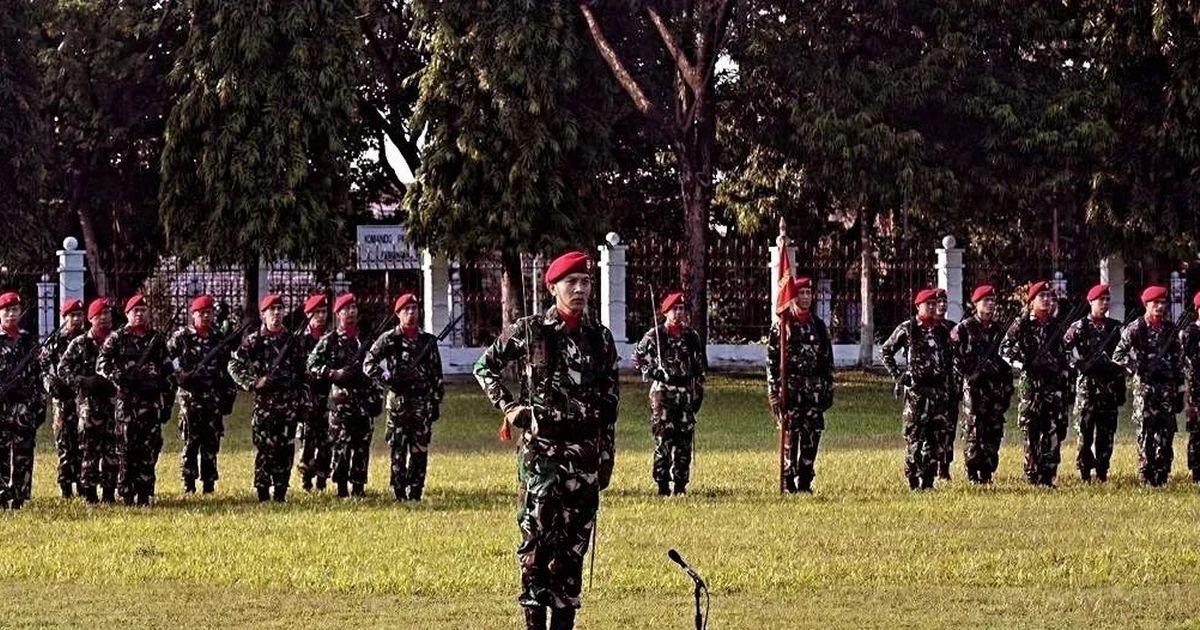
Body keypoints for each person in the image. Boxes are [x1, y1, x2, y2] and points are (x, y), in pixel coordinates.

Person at [474, 251, 619, 630]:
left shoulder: (600, 338)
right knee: (535, 548)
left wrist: (606, 457)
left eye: (585, 282)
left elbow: (609, 403)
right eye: (571, 282)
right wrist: (509, 406)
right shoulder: (531, 330)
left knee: (573, 551)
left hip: (584, 459)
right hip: (541, 458)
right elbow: (483, 366)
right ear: (552, 287)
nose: (580, 289)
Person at [363, 293, 445, 501]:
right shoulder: (389, 339)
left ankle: (416, 491)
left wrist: (435, 401)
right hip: (398, 403)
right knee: (398, 448)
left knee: (420, 449)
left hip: (421, 403)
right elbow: (368, 364)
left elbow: (437, 374)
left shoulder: (427, 341)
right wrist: (388, 378)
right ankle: (399, 491)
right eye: (406, 310)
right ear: (398, 314)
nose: (411, 313)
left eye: (414, 309)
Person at [96, 295, 174, 505]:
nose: (139, 314)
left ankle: (145, 492)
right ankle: (127, 491)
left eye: (143, 310)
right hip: (127, 404)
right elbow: (102, 364)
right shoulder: (117, 338)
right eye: (135, 310)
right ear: (127, 314)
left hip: (150, 403)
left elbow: (168, 372)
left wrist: (166, 402)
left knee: (149, 448)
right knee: (126, 449)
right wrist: (119, 377)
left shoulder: (156, 339)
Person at [228, 294, 307, 502]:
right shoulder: (255, 340)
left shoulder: (292, 341)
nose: (277, 314)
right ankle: (263, 492)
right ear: (263, 314)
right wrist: (253, 383)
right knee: (265, 450)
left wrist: (302, 402)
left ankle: (281, 491)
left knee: (285, 449)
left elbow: (302, 373)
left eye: (280, 309)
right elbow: (234, 365)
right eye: (272, 310)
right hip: (265, 406)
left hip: (288, 404)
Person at [631, 290, 707, 496]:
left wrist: (698, 392)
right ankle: (663, 485)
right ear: (665, 312)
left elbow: (699, 367)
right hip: (663, 393)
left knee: (684, 441)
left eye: (682, 309)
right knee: (663, 439)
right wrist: (653, 372)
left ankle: (681, 485)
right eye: (675, 309)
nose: (679, 313)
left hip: (685, 392)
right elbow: (637, 358)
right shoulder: (655, 335)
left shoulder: (691, 336)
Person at [307, 293, 381, 498]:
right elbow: (311, 365)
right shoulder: (329, 340)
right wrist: (332, 373)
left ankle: (358, 486)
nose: (352, 312)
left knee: (362, 445)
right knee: (341, 445)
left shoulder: (365, 339)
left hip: (363, 400)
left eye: (354, 308)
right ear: (338, 313)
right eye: (347, 309)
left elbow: (376, 365)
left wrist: (376, 392)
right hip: (341, 402)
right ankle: (341, 487)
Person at [1000, 281, 1072, 487]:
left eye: (1050, 296)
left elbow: (1065, 351)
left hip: (1053, 385)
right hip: (1032, 386)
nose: (1047, 300)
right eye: (1042, 296)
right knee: (1031, 430)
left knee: (1053, 429)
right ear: (1032, 301)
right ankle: (1033, 473)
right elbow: (1004, 349)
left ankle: (1048, 475)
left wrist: (1063, 372)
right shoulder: (1022, 323)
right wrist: (1023, 363)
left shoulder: (1055, 325)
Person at [765, 278, 833, 493]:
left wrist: (828, 389)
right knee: (789, 436)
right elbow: (772, 362)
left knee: (811, 436)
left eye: (808, 293)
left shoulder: (818, 326)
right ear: (792, 297)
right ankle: (787, 479)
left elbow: (826, 361)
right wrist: (773, 392)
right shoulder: (782, 327)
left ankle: (805, 480)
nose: (805, 297)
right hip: (790, 391)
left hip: (813, 392)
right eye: (801, 293)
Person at [1113, 285, 1185, 486]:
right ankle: (1146, 476)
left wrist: (1180, 391)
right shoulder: (1136, 328)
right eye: (1156, 303)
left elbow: (1179, 361)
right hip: (1145, 392)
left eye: (1163, 303)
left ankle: (1162, 476)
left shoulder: (1170, 330)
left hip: (1167, 391)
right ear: (1146, 305)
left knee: (1166, 434)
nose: (1160, 307)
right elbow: (1118, 355)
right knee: (1146, 434)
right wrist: (1139, 367)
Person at [882, 287, 953, 490]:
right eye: (928, 304)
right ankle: (913, 479)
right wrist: (899, 376)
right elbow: (886, 351)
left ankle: (929, 481)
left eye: (934, 304)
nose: (932, 308)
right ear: (918, 306)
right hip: (916, 393)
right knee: (915, 437)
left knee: (935, 438)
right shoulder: (908, 328)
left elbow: (949, 359)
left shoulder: (941, 331)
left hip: (938, 392)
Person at [168, 295, 238, 494]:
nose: (206, 316)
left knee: (211, 441)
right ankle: (188, 482)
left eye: (209, 312)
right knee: (191, 441)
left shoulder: (218, 337)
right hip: (190, 398)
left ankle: (209, 483)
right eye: (201, 313)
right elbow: (167, 359)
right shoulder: (182, 337)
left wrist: (227, 393)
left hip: (213, 397)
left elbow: (228, 366)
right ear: (193, 314)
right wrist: (180, 376)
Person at [949, 285, 1014, 484]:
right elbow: (954, 356)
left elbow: (1008, 358)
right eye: (986, 301)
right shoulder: (965, 328)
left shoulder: (1000, 330)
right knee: (974, 430)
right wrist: (967, 375)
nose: (990, 305)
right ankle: (972, 471)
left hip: (995, 388)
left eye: (993, 301)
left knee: (993, 430)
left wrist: (1006, 386)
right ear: (975, 304)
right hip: (974, 389)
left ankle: (987, 471)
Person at [1062, 284, 1125, 482]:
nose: (1105, 303)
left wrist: (1115, 368)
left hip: (1108, 389)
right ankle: (1084, 472)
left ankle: (1102, 471)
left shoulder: (1115, 327)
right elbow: (1064, 351)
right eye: (1101, 300)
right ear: (1091, 302)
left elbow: (1124, 354)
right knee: (1085, 433)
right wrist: (1079, 364)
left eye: (1107, 300)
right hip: (1086, 390)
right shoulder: (1078, 327)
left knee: (1106, 435)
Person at [59, 298, 119, 503]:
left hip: (113, 404)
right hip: (89, 405)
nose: (103, 319)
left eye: (107, 314)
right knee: (89, 450)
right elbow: (63, 369)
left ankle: (110, 492)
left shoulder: (118, 339)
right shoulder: (80, 343)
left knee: (113, 449)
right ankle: (90, 493)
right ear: (91, 319)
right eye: (98, 315)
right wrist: (82, 382)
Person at [0, 292, 45, 509]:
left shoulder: (29, 341)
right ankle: (0, 496)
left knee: (23, 452)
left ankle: (19, 496)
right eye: (7, 310)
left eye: (15, 310)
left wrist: (38, 404)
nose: (11, 314)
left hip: (24, 406)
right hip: (1, 407)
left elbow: (39, 375)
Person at [40, 298, 86, 498]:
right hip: (63, 401)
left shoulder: (87, 339)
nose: (76, 319)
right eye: (72, 315)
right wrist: (51, 385)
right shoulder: (55, 341)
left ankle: (85, 485)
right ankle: (66, 487)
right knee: (65, 444)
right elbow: (43, 368)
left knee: (84, 443)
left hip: (84, 399)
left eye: (79, 315)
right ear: (64, 317)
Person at [297, 294, 332, 491]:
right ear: (308, 314)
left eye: (323, 312)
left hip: (327, 396)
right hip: (308, 396)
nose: (320, 316)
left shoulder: (331, 338)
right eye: (316, 312)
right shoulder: (300, 341)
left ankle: (322, 478)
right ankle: (306, 479)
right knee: (308, 439)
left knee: (327, 439)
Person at [1179, 290, 1200, 482]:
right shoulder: (1190, 333)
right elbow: (1187, 363)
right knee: (1197, 432)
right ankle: (1196, 472)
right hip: (1196, 391)